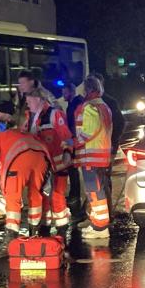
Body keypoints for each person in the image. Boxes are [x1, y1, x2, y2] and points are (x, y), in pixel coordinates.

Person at [0, 129, 54, 257]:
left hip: (17, 160)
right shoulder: (28, 135)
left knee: (13, 199)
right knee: (36, 195)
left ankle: (10, 242)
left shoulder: (1, 136)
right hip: (41, 157)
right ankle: (35, 234)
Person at [22, 88, 74, 234]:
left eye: (29, 101)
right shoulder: (30, 118)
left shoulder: (53, 114)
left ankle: (62, 229)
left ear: (38, 99)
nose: (27, 104)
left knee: (57, 195)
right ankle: (44, 226)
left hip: (58, 164)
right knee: (41, 195)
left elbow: (66, 136)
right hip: (41, 166)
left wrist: (67, 153)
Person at [74, 76, 113, 239]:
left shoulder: (89, 107)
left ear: (87, 90)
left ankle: (100, 228)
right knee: (97, 190)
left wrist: (73, 142)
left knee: (94, 191)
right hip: (101, 155)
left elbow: (88, 132)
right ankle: (97, 222)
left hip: (91, 156)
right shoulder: (103, 105)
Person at [90, 73, 125, 217]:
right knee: (97, 182)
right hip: (98, 149)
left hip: (104, 148)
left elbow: (119, 124)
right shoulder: (95, 103)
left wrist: (113, 143)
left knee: (103, 180)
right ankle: (101, 212)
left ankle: (106, 213)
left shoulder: (108, 102)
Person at [63, 82, 86, 223]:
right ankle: (74, 194)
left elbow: (74, 125)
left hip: (75, 141)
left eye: (65, 92)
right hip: (73, 140)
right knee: (72, 169)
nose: (63, 95)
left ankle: (75, 196)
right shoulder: (73, 104)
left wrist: (72, 140)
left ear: (71, 92)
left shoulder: (76, 104)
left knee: (74, 169)